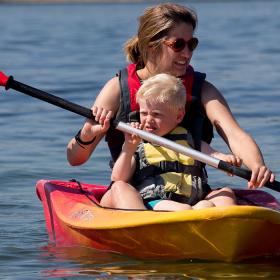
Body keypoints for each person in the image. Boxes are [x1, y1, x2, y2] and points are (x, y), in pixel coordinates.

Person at [67, 3, 275, 210]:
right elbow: (75, 158)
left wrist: (257, 166)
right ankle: (148, 229)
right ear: (151, 45)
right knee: (121, 189)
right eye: (178, 45)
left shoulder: (203, 90)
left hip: (190, 197)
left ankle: (208, 226)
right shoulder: (116, 89)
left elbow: (235, 134)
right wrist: (87, 134)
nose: (187, 53)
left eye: (191, 44)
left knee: (225, 195)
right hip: (136, 197)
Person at [111, 73, 242, 210]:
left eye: (156, 114)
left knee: (226, 194)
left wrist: (225, 159)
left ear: (179, 116)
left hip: (194, 199)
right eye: (144, 113)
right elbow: (118, 178)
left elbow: (211, 154)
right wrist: (129, 148)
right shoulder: (137, 141)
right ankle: (195, 214)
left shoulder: (188, 139)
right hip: (156, 202)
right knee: (186, 209)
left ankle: (222, 222)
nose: (148, 119)